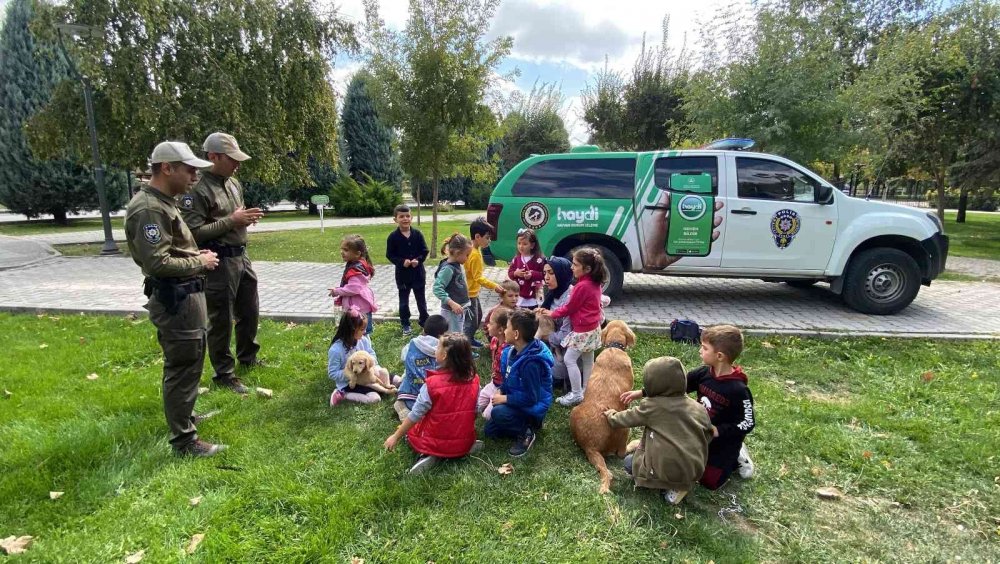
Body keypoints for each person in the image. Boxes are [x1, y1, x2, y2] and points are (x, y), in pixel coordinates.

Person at [124, 141, 224, 457]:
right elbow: (157, 263)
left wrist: (196, 254)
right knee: (182, 364)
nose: (195, 175)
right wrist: (200, 262)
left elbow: (171, 250)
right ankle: (184, 441)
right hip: (176, 299)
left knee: (192, 358)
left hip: (187, 295)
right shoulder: (149, 208)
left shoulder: (164, 202)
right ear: (167, 168)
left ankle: (185, 416)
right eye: (189, 169)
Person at [622, 324, 756, 490]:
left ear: (719, 356)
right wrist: (642, 392)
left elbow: (748, 422)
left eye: (704, 348)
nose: (700, 350)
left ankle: (738, 456)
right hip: (697, 432)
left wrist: (719, 430)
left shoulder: (738, 390)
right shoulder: (703, 373)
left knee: (709, 481)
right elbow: (673, 385)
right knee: (687, 467)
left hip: (722, 441)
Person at [179, 132, 262, 395]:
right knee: (222, 318)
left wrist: (245, 218)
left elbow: (236, 214)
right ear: (213, 157)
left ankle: (248, 356)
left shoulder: (233, 183)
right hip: (218, 260)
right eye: (231, 159)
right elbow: (192, 232)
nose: (237, 164)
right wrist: (232, 221)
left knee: (250, 309)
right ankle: (224, 374)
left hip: (241, 255)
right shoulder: (197, 189)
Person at [607, 357, 714, 505]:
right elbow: (709, 434)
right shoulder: (698, 408)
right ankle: (680, 485)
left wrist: (611, 414)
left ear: (653, 384)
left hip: (662, 470)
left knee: (628, 463)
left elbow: (623, 420)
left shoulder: (652, 406)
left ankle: (666, 484)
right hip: (693, 469)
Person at [383, 333, 483, 474]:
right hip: (464, 438)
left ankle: (429, 454)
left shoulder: (432, 384)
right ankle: (461, 447)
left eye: (437, 347)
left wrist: (396, 436)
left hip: (435, 441)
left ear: (444, 355)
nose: (435, 349)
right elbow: (476, 409)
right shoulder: (475, 379)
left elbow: (416, 414)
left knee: (411, 429)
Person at [538, 248, 605, 407]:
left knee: (569, 359)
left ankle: (576, 394)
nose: (571, 267)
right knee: (588, 360)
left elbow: (569, 308)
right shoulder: (594, 282)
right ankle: (586, 389)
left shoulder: (581, 287)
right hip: (593, 328)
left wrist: (552, 313)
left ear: (587, 269)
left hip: (582, 330)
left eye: (575, 264)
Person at [485, 309, 554, 457]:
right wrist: (502, 389)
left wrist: (505, 399)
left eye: (508, 328)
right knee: (489, 432)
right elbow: (510, 379)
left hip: (532, 407)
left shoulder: (531, 364)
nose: (504, 331)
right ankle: (523, 424)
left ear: (516, 334)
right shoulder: (510, 352)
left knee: (498, 413)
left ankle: (527, 433)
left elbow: (532, 398)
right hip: (518, 402)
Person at [328, 307, 397, 406]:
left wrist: (373, 366)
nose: (364, 332)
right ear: (352, 330)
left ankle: (395, 388)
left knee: (397, 380)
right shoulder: (336, 350)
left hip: (368, 374)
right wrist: (352, 375)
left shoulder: (363, 340)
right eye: (361, 329)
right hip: (351, 383)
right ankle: (342, 394)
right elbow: (332, 373)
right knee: (375, 399)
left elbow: (371, 353)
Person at [394, 314, 450, 421]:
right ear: (442, 334)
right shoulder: (443, 349)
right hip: (433, 396)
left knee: (406, 376)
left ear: (424, 329)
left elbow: (404, 357)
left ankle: (404, 409)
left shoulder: (412, 344)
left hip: (410, 394)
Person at [385, 205, 429, 335]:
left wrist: (418, 260)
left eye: (407, 216)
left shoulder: (417, 234)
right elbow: (390, 255)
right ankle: (405, 323)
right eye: (401, 216)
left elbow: (424, 250)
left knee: (421, 300)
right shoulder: (393, 237)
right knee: (403, 301)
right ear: (395, 219)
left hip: (418, 274)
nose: (405, 219)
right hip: (402, 275)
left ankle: (424, 322)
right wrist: (401, 262)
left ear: (412, 218)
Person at [464, 217, 504, 348]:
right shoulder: (474, 254)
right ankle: (465, 345)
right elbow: (478, 278)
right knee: (471, 321)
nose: (489, 240)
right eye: (487, 237)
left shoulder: (471, 249)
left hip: (472, 292)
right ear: (477, 236)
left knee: (477, 316)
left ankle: (470, 339)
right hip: (469, 293)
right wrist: (494, 286)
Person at [328, 235, 377, 334]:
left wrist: (337, 291)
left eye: (346, 250)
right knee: (358, 334)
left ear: (357, 253)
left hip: (358, 308)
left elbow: (353, 289)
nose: (342, 252)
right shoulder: (357, 264)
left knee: (359, 334)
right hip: (359, 306)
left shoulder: (355, 269)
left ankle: (364, 349)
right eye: (342, 249)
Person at [539, 257, 574, 389]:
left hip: (568, 352)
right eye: (544, 273)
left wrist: (545, 336)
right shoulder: (553, 293)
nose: (546, 278)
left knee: (539, 373)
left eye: (551, 273)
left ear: (562, 273)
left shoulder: (571, 299)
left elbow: (566, 335)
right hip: (553, 346)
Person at [432, 233, 473, 334]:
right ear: (458, 253)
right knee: (453, 337)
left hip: (457, 310)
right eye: (467, 255)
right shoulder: (448, 269)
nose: (468, 258)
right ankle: (452, 350)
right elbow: (437, 288)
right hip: (451, 312)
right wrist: (452, 303)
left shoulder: (456, 264)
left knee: (457, 334)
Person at [477, 306, 511, 420]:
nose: (487, 325)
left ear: (500, 330)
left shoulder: (509, 350)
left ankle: (502, 405)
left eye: (491, 323)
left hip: (502, 388)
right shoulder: (495, 340)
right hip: (493, 383)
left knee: (486, 417)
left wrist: (502, 392)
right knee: (475, 407)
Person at [506, 228, 545, 309]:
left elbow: (544, 274)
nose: (521, 246)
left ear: (532, 245)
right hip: (519, 296)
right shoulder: (516, 259)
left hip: (534, 296)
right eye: (519, 243)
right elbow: (510, 273)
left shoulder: (539, 259)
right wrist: (516, 273)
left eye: (524, 244)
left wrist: (533, 274)